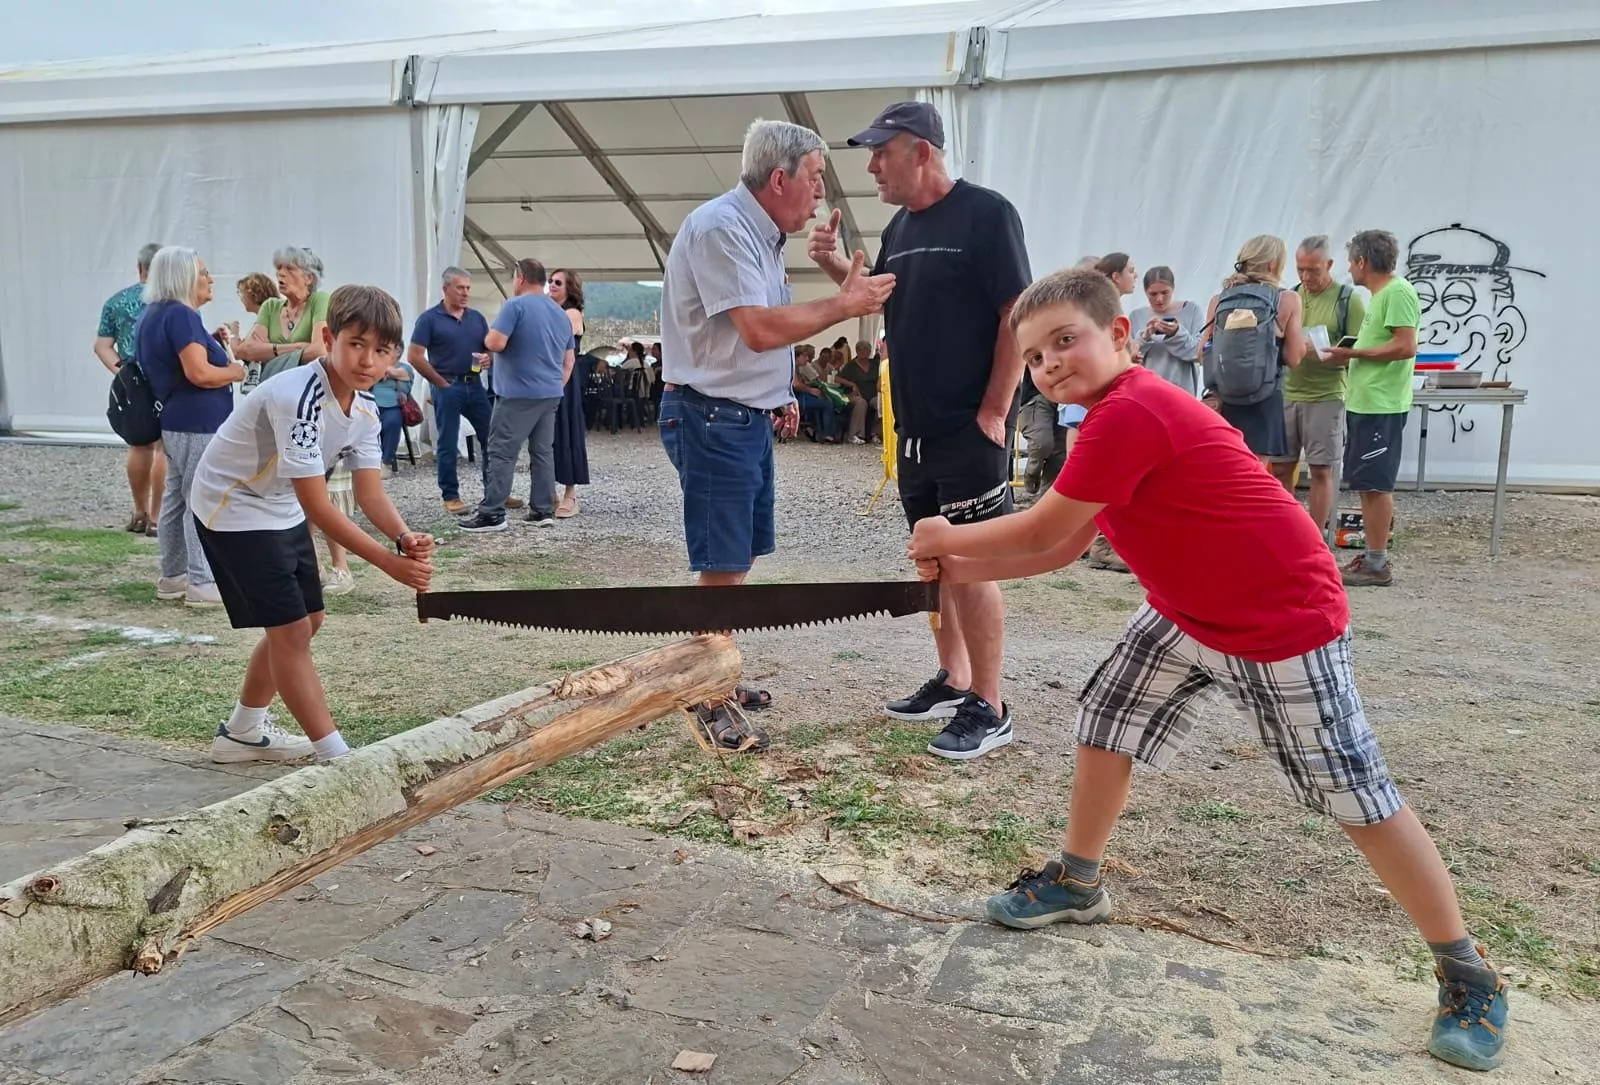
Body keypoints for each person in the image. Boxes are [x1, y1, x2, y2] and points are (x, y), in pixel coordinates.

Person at [907, 267, 1509, 1074]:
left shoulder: (1133, 410)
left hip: (1278, 621)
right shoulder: (1103, 425)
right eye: (1035, 356)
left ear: (1119, 336)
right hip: (1187, 610)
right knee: (1105, 722)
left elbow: (1044, 523)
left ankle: (1467, 970)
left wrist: (949, 535)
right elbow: (1064, 548)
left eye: (1065, 341)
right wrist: (958, 567)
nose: (1050, 364)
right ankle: (1079, 882)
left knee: (1358, 798)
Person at [660, 117, 894, 751]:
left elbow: (759, 338)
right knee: (722, 563)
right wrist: (845, 306)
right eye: (816, 179)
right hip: (711, 414)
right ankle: (705, 697)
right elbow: (759, 328)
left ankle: (719, 675)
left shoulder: (760, 234)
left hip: (740, 413)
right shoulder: (721, 228)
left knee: (737, 561)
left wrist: (781, 391)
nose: (821, 193)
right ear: (780, 177)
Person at [812, 100, 1029, 760]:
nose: (872, 165)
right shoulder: (901, 226)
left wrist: (994, 409)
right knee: (933, 561)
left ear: (923, 152)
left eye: (883, 152)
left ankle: (990, 704)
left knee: (969, 563)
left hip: (969, 428)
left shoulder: (987, 214)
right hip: (915, 431)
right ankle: (954, 677)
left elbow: (1017, 314)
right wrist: (832, 268)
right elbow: (885, 297)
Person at [189, 285, 434, 764]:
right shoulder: (297, 396)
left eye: (380, 350)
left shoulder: (364, 410)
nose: (366, 360)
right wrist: (389, 564)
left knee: (308, 621)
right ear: (328, 337)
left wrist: (404, 538)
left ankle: (241, 733)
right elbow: (320, 507)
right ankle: (337, 758)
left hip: (277, 504)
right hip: (232, 506)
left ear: (394, 358)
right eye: (356, 344)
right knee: (291, 632)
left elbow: (369, 494)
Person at [137, 247, 247, 608]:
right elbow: (198, 373)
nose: (210, 278)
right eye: (203, 272)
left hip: (175, 420)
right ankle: (202, 580)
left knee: (176, 497)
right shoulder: (182, 316)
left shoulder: (153, 314)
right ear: (183, 277)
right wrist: (235, 371)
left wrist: (211, 344)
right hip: (197, 422)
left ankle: (174, 575)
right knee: (201, 498)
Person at [1325, 230, 1419, 588]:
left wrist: (1353, 354)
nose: (1349, 268)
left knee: (1377, 483)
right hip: (1367, 402)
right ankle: (1373, 557)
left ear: (1363, 262)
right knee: (1367, 482)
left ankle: (1377, 562)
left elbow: (1405, 345)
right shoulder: (1381, 296)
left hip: (1382, 404)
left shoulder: (1397, 293)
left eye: (1351, 261)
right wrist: (1351, 354)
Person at [458, 258, 575, 532]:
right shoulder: (560, 313)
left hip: (517, 393)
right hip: (550, 392)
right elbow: (568, 360)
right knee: (543, 452)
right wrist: (554, 385)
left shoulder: (514, 306)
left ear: (520, 277)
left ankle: (492, 513)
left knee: (502, 451)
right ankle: (543, 509)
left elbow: (496, 342)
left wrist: (488, 342)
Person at [1268, 235, 1367, 534]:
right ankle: (1287, 530)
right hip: (1287, 392)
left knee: (1321, 468)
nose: (1306, 277)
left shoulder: (1348, 300)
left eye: (1313, 270)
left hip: (1326, 394)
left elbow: (1360, 351)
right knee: (1282, 467)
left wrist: (1327, 351)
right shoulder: (1290, 295)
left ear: (1330, 265)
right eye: (1300, 269)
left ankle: (1315, 534)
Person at [1198, 235, 1305, 465]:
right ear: (1273, 265)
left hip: (1225, 400)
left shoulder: (1219, 300)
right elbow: (1294, 358)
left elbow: (1202, 352)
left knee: (1224, 471)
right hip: (1264, 400)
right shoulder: (1286, 299)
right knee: (1253, 476)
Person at [407, 267, 493, 516]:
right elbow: (414, 356)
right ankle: (451, 495)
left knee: (492, 439)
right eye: (460, 288)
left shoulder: (476, 318)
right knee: (447, 442)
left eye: (468, 288)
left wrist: (488, 359)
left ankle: (495, 490)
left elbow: (490, 349)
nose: (466, 293)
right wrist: (438, 382)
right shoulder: (429, 319)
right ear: (446, 289)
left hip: (475, 384)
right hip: (447, 385)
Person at [94, 242, 166, 537]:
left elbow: (102, 346)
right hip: (164, 379)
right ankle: (159, 517)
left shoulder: (117, 301)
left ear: (140, 268)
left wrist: (122, 371)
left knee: (139, 444)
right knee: (164, 447)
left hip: (132, 381)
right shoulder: (171, 300)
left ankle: (140, 511)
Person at [548, 268, 589, 518]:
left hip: (565, 378)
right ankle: (549, 492)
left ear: (569, 288)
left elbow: (560, 335)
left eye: (558, 282)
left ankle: (570, 494)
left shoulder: (572, 313)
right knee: (546, 436)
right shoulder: (550, 310)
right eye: (550, 281)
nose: (552, 285)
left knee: (566, 431)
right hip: (547, 377)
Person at [1127, 267, 1203, 396]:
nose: (1159, 299)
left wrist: (1176, 333)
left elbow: (1199, 352)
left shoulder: (1191, 310)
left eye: (1164, 292)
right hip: (1147, 392)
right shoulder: (1136, 316)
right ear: (1145, 292)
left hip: (1181, 393)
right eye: (1153, 294)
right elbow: (1127, 358)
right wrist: (1145, 337)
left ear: (1173, 289)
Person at [232, 272, 280, 396]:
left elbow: (240, 352)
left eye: (242, 293)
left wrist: (234, 334)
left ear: (253, 294)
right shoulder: (276, 316)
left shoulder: (265, 322)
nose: (241, 297)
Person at [371, 354, 417, 476]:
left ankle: (386, 463)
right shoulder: (372, 363)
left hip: (393, 405)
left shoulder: (405, 368)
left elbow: (402, 375)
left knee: (393, 421)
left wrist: (386, 371)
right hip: (370, 404)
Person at [837, 340, 880, 444]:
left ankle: (876, 433)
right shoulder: (851, 366)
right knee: (861, 403)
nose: (863, 352)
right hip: (854, 395)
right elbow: (836, 378)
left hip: (873, 395)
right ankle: (855, 434)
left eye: (866, 350)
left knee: (880, 402)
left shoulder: (875, 364)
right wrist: (852, 384)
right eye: (860, 350)